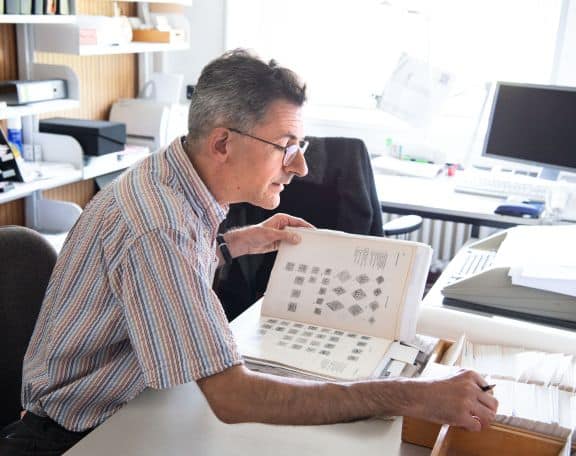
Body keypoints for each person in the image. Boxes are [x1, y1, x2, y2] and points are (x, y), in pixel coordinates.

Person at [0, 49, 497, 455]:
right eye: (286, 145)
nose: (300, 167)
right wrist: (410, 397)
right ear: (222, 143)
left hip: (136, 403)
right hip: (74, 438)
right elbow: (233, 397)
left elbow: (162, 272)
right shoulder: (158, 227)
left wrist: (239, 241)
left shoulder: (173, 179)